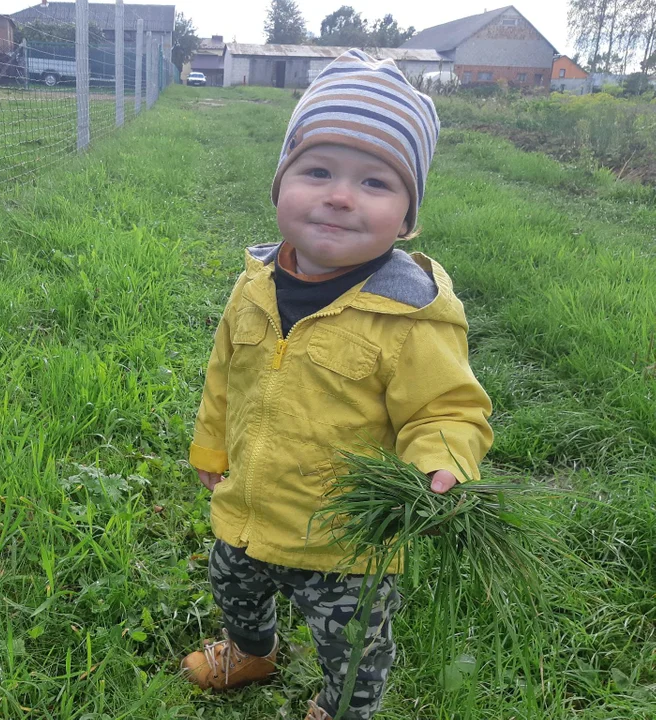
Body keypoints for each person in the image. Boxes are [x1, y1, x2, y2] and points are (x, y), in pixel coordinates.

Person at [181, 49, 494, 720]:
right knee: (232, 584)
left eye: (375, 182)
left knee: (354, 644)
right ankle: (252, 650)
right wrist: (212, 450)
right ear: (279, 185)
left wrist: (441, 455)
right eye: (317, 171)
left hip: (347, 543)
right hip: (251, 510)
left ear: (408, 217)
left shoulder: (411, 317)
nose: (340, 195)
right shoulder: (254, 285)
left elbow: (447, 408)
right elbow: (224, 378)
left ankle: (344, 708)